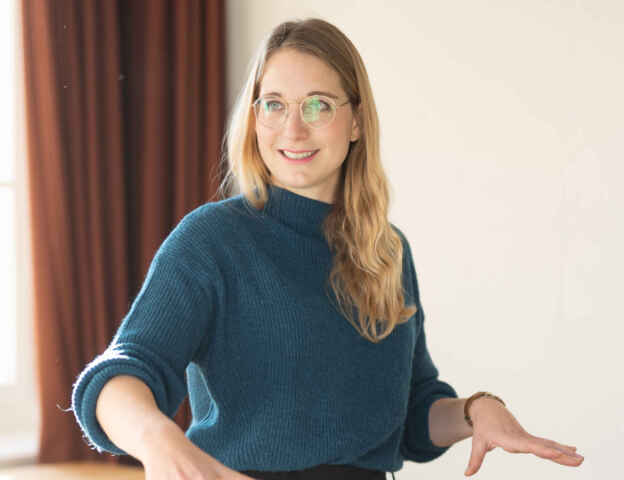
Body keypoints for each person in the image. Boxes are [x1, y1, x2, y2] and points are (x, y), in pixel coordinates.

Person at [71, 18, 584, 480]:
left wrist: (476, 410)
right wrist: (158, 439)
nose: (293, 129)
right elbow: (119, 376)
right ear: (255, 117)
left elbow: (412, 413)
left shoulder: (387, 249)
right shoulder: (212, 240)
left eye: (318, 105)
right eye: (274, 105)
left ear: (356, 120)